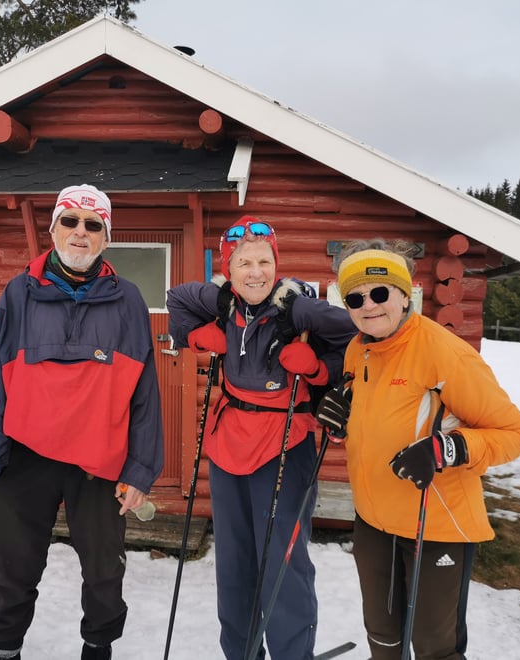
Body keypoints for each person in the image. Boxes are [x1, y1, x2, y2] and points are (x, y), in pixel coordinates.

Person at [0, 184, 164, 660]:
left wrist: (140, 471)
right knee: (14, 569)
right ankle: (5, 650)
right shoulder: (18, 293)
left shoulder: (128, 300)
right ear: (52, 229)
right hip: (24, 457)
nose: (80, 233)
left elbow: (145, 393)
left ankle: (98, 649)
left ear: (106, 237)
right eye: (69, 221)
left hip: (100, 461)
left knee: (104, 574)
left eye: (93, 225)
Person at [315, 239, 520, 660]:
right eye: (355, 297)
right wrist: (338, 412)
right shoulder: (357, 348)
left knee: (435, 648)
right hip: (372, 521)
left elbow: (514, 433)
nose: (369, 305)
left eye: (380, 293)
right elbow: (372, 417)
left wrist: (446, 450)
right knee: (382, 639)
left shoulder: (444, 353)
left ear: (403, 293)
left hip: (434, 525)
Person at [167, 216, 356, 660]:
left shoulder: (298, 308)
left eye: (264, 261)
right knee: (234, 564)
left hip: (284, 443)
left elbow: (355, 335)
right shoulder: (219, 300)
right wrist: (195, 333)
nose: (255, 272)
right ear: (229, 267)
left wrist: (317, 369)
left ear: (277, 262)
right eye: (244, 262)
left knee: (282, 562)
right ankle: (241, 653)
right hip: (229, 442)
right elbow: (175, 298)